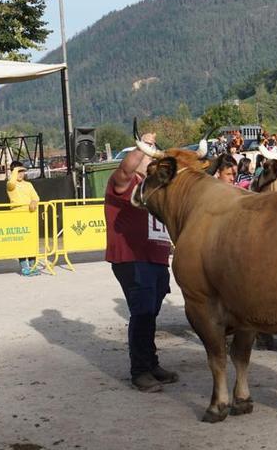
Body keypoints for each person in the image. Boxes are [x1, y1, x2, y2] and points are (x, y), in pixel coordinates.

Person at [105, 131, 177, 393]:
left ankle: (151, 363)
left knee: (151, 314)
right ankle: (140, 372)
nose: (153, 161)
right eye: (148, 158)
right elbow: (125, 169)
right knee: (143, 312)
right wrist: (143, 146)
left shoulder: (155, 188)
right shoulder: (124, 183)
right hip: (132, 258)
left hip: (156, 257)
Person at [6, 161, 41, 277]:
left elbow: (36, 197)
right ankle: (24, 268)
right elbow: (11, 183)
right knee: (21, 241)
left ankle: (32, 265)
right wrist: (14, 171)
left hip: (30, 214)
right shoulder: (11, 184)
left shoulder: (28, 184)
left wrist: (34, 202)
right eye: (18, 171)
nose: (21, 174)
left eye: (22, 171)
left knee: (31, 241)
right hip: (17, 214)